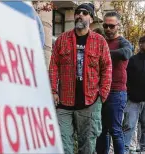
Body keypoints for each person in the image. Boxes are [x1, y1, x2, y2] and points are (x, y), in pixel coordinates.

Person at [49, 3, 112, 154]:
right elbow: (53, 67)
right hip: (64, 102)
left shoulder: (99, 41)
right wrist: (53, 91)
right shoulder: (62, 39)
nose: (80, 15)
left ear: (90, 18)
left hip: (90, 102)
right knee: (63, 145)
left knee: (88, 146)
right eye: (78, 12)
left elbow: (107, 69)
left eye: (85, 13)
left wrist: (101, 95)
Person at [96, 11, 133, 154]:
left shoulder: (124, 43)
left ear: (118, 26)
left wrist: (104, 53)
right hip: (99, 91)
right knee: (101, 130)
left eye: (111, 26)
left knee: (115, 130)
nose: (108, 29)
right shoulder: (101, 41)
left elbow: (126, 53)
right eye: (105, 26)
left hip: (116, 92)